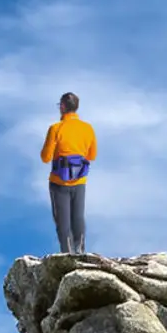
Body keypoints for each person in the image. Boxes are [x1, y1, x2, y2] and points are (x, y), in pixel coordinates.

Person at [41, 92, 96, 255]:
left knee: (63, 222)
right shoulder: (87, 128)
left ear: (63, 107)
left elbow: (45, 157)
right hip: (80, 180)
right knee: (78, 217)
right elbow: (92, 155)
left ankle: (67, 254)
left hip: (59, 181)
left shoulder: (56, 128)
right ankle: (80, 251)